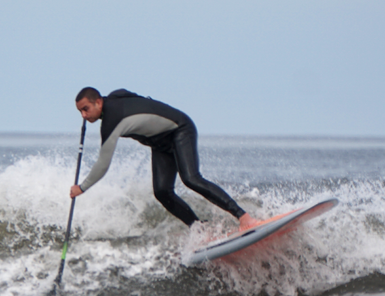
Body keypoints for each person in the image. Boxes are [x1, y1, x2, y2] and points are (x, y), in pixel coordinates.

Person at [70, 88, 259, 230]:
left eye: (86, 109)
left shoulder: (111, 122)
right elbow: (132, 95)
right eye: (80, 112)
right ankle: (199, 229)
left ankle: (244, 217)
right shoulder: (115, 96)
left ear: (98, 103)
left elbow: (103, 164)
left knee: (191, 179)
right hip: (160, 143)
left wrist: (82, 187)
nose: (84, 116)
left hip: (179, 129)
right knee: (162, 191)